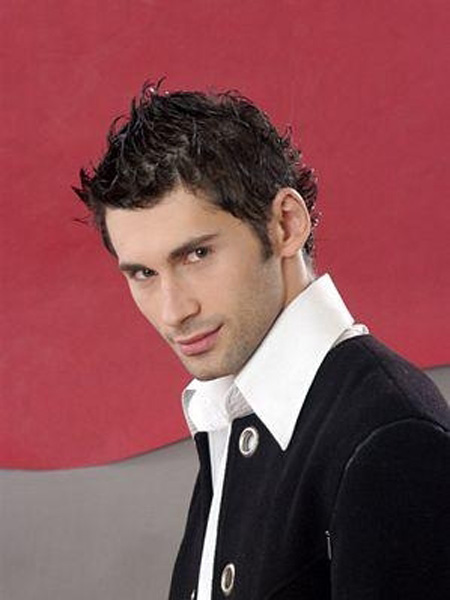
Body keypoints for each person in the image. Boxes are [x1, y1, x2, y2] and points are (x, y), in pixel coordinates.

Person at [74, 81, 450, 600]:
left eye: (197, 255)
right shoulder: (231, 412)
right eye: (143, 273)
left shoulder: (391, 438)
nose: (173, 311)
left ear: (285, 225)